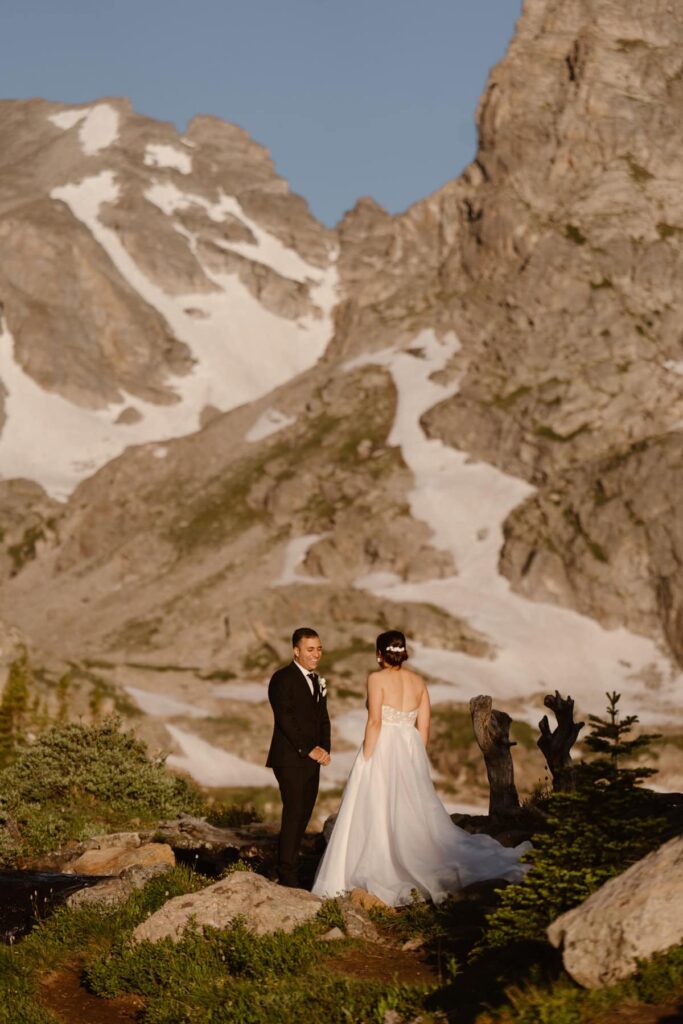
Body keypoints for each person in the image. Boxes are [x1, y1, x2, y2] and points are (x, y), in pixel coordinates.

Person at [312, 630, 529, 907]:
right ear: (402, 652)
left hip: (382, 746)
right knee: (411, 806)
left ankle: (377, 863)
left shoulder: (376, 679)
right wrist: (415, 755)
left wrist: (367, 756)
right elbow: (423, 725)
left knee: (375, 804)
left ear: (380, 654)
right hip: (410, 746)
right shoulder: (418, 682)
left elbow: (375, 721)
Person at [266, 627, 331, 887]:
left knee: (304, 813)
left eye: (319, 649)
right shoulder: (282, 678)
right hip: (290, 757)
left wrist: (325, 749)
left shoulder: (318, 681)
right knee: (293, 813)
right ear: (296, 651)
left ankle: (289, 864)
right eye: (310, 649)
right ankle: (287, 875)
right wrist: (308, 749)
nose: (316, 654)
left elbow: (322, 719)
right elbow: (286, 720)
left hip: (313, 758)